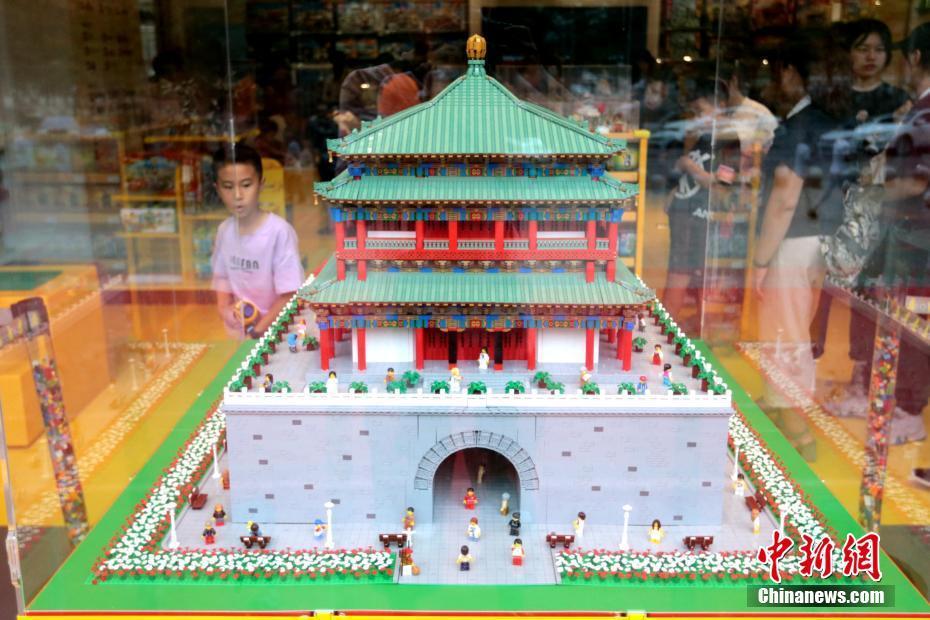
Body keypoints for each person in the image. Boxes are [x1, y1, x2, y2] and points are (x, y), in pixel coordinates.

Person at [753, 39, 840, 459]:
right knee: (796, 329)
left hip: (793, 240)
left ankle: (797, 431)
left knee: (783, 332)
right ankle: (779, 407)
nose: (771, 83)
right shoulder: (827, 121)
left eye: (775, 72)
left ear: (791, 72)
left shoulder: (797, 127)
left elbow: (785, 196)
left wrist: (760, 259)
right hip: (820, 239)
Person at [211, 143, 304, 339]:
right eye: (228, 187)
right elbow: (222, 278)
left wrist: (257, 332)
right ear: (217, 189)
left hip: (276, 334)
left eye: (246, 185)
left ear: (261, 184)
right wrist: (224, 310)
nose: (238, 195)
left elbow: (290, 294)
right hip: (241, 333)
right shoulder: (224, 231)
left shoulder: (279, 232)